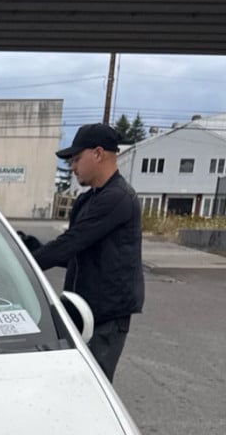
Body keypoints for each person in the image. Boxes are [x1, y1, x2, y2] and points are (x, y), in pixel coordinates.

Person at [20, 123, 144, 383]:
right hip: (79, 309)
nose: (72, 167)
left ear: (98, 153)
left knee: (92, 385)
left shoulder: (118, 198)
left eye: (76, 159)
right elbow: (72, 252)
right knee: (69, 382)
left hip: (105, 318)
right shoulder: (88, 200)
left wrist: (17, 265)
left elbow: (69, 244)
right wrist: (23, 245)